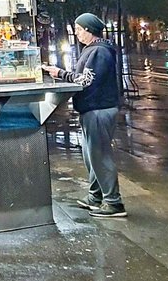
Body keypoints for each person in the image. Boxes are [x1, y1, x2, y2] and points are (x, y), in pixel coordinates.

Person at [42, 12, 126, 217]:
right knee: (91, 155)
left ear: (89, 30)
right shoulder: (94, 50)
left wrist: (60, 74)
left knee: (99, 155)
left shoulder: (99, 52)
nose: (77, 33)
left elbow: (86, 81)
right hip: (93, 108)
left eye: (79, 29)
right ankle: (96, 196)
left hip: (98, 109)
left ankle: (113, 202)